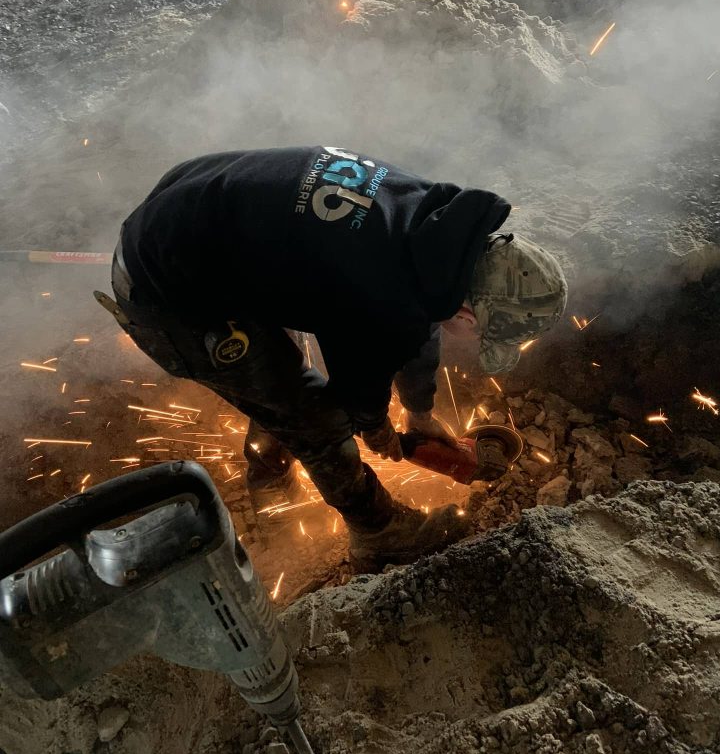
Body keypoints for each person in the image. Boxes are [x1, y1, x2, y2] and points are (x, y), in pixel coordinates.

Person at [100, 146, 567, 570]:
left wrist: (420, 413)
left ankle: (269, 474)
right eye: (482, 333)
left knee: (285, 370)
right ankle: (379, 531)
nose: (473, 340)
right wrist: (376, 427)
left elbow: (418, 317)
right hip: (167, 293)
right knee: (315, 416)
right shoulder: (380, 290)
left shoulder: (433, 225)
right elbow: (356, 395)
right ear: (467, 312)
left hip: (190, 217)